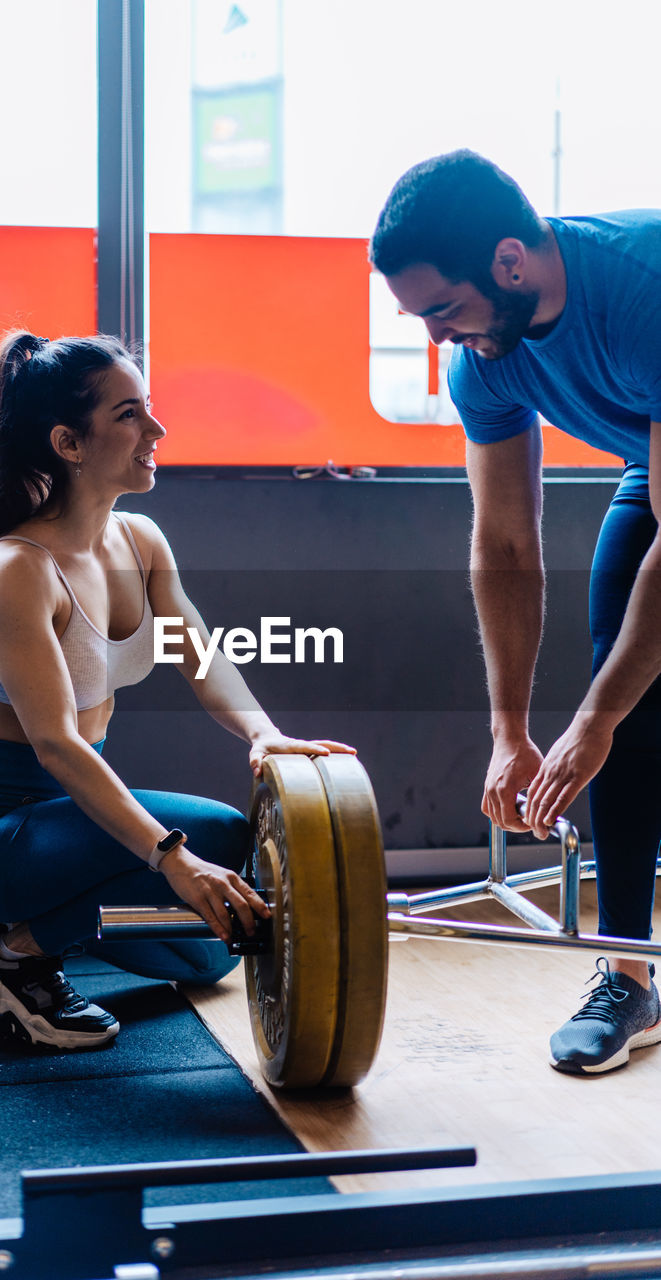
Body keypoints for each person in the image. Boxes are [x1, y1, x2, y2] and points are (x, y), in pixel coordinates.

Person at [0, 330, 354, 1050]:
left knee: (209, 950)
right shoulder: (16, 570)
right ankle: (1, 955)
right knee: (215, 838)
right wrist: (171, 857)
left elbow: (201, 654)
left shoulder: (139, 541)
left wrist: (262, 733)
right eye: (129, 415)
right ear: (69, 442)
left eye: (148, 408)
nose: (156, 429)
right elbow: (55, 745)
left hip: (72, 821)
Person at [370, 150, 661, 1075]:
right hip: (653, 464)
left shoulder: (644, 290)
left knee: (614, 707)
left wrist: (592, 720)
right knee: (625, 674)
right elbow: (502, 545)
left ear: (509, 264)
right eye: (417, 320)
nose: (437, 337)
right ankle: (629, 971)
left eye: (441, 311)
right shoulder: (481, 361)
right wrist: (511, 731)